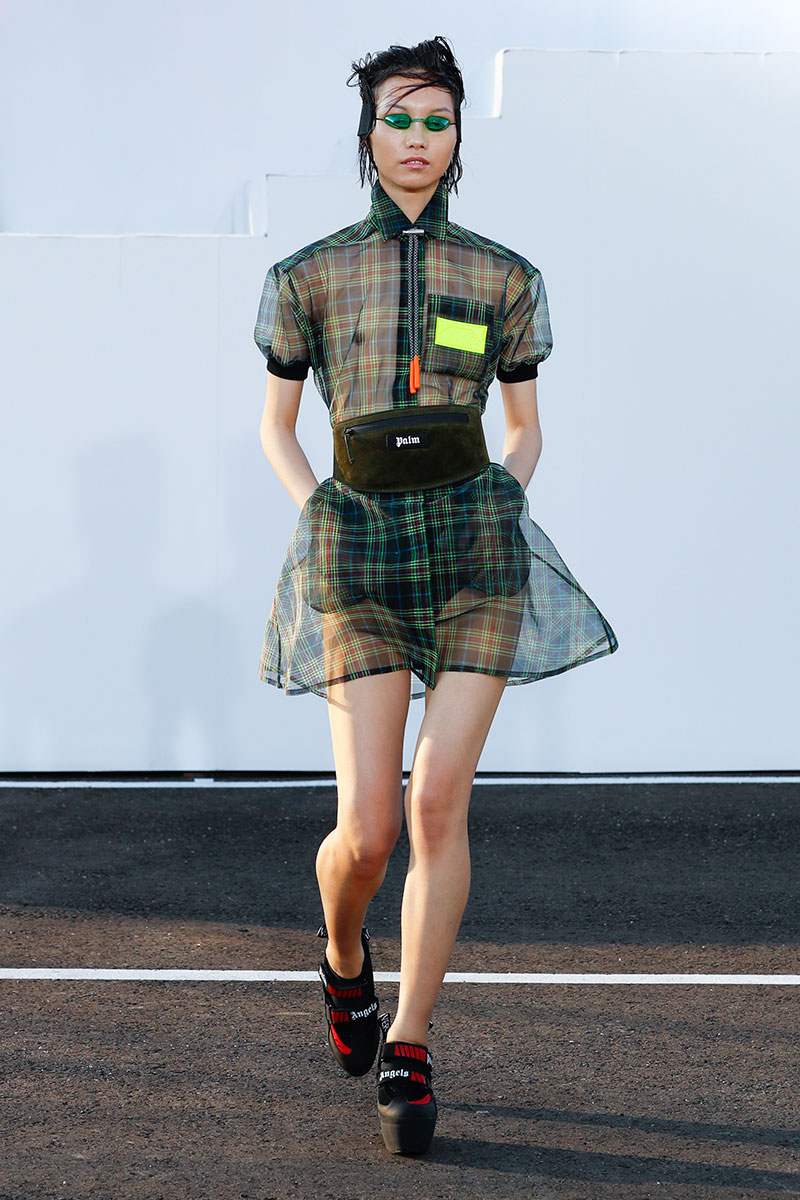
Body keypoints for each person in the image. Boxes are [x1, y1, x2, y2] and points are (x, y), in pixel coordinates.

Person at [254, 35, 618, 1155]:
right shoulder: (308, 276)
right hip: (359, 556)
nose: (417, 138)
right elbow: (276, 427)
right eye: (398, 118)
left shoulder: (504, 277)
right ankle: (343, 958)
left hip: (472, 556)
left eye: (437, 120)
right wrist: (320, 511)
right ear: (366, 134)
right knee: (365, 832)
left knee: (435, 806)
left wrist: (501, 497)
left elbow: (526, 428)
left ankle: (408, 1043)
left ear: (459, 138)